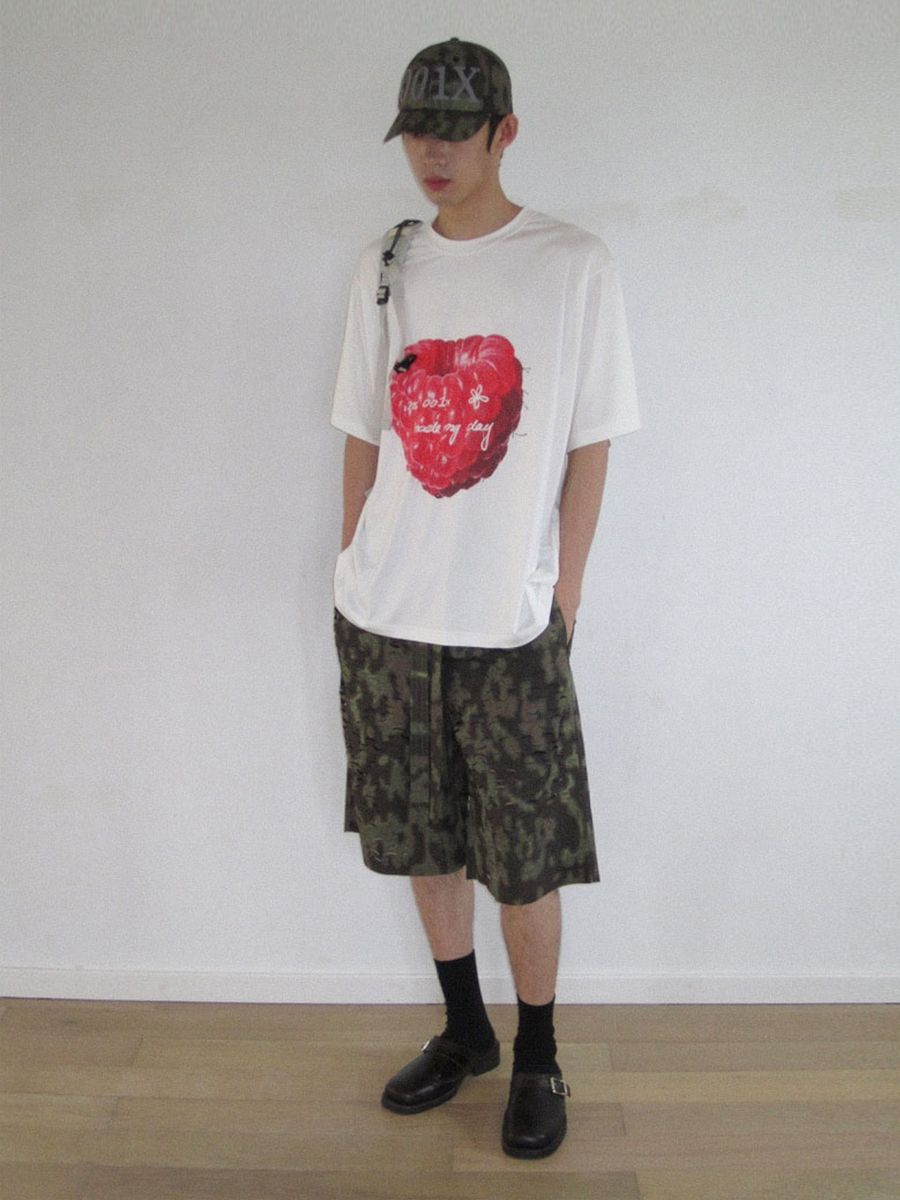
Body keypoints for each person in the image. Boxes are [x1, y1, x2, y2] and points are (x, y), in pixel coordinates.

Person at [331, 37, 640, 1159]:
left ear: (505, 132)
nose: (434, 153)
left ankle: (541, 1053)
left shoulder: (573, 264)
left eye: (456, 131)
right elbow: (362, 428)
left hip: (511, 621)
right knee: (425, 839)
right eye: (417, 131)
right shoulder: (389, 262)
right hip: (388, 614)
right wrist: (355, 568)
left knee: (526, 857)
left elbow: (592, 441)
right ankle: (468, 1030)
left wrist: (567, 597)